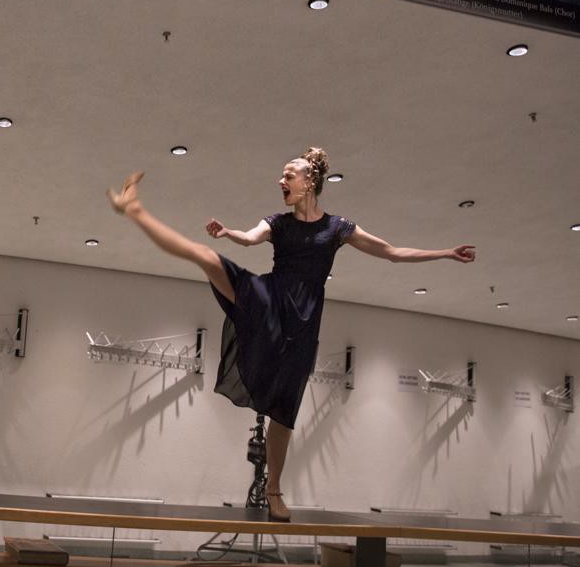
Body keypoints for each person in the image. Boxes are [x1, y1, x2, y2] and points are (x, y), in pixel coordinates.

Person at [107, 148, 475, 521]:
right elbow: (250, 238)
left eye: (288, 175)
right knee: (205, 255)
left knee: (284, 412)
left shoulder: (338, 228)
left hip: (303, 325)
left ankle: (274, 490)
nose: (280, 181)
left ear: (310, 181)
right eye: (282, 176)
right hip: (270, 302)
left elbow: (392, 252)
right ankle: (135, 211)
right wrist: (229, 232)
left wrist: (445, 253)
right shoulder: (278, 224)